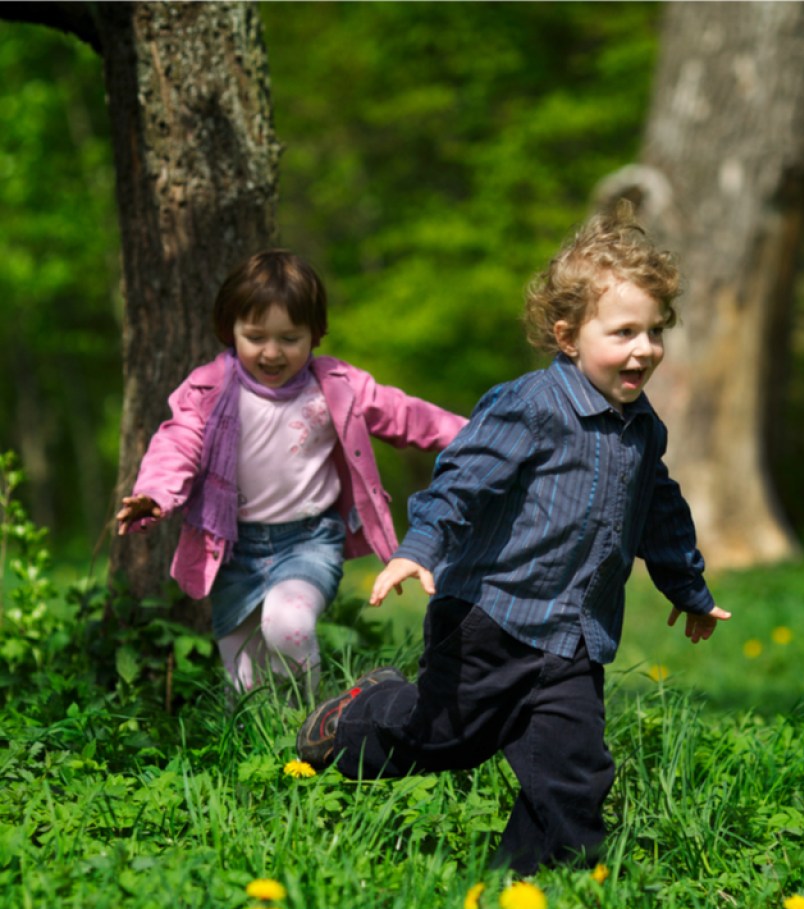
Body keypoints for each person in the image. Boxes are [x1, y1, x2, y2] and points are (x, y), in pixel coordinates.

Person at [296, 209, 731, 874]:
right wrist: (419, 548)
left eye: (653, 331)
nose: (643, 348)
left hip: (573, 638)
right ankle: (355, 717)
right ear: (567, 336)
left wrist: (687, 587)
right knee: (443, 739)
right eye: (623, 333)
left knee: (574, 774)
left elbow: (659, 510)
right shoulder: (527, 406)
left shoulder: (643, 429)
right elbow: (462, 482)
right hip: (489, 619)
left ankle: (529, 895)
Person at [117, 249, 466, 702]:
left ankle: (313, 725)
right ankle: (259, 751)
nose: (272, 352)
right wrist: (154, 495)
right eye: (255, 336)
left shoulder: (335, 386)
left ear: (314, 335)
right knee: (243, 683)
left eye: (289, 338)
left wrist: (475, 433)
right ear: (231, 331)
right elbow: (176, 443)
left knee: (288, 626)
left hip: (308, 541)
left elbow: (405, 415)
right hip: (232, 547)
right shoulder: (209, 389)